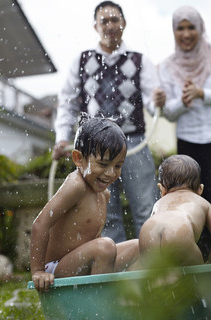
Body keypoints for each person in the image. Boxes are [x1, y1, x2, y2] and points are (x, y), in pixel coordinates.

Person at [53, 0, 165, 243]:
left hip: (133, 142)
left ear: (124, 23)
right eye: (105, 20)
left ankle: (154, 268)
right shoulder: (81, 60)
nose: (110, 25)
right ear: (96, 26)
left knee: (147, 208)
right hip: (94, 149)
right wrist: (61, 137)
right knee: (103, 213)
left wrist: (158, 101)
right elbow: (68, 102)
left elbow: (152, 101)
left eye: (115, 19)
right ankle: (115, 269)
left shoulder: (139, 60)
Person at [153, 5, 211, 261]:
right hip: (190, 144)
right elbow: (168, 113)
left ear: (200, 29)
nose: (186, 33)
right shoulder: (167, 66)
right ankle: (201, 261)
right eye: (181, 28)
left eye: (191, 27)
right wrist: (183, 100)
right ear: (174, 32)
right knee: (192, 202)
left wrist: (203, 93)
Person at [31, 114, 139, 292]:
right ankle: (101, 308)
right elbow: (40, 224)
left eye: (118, 166)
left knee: (139, 246)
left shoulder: (104, 194)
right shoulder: (76, 185)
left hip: (82, 265)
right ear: (78, 159)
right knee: (104, 247)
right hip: (55, 270)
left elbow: (92, 242)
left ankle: (130, 299)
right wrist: (38, 271)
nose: (111, 173)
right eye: (103, 164)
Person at [139, 155, 211, 267]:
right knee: (196, 278)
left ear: (162, 189)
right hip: (179, 229)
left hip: (149, 229)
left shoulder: (158, 204)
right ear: (200, 189)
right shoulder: (201, 201)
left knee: (155, 276)